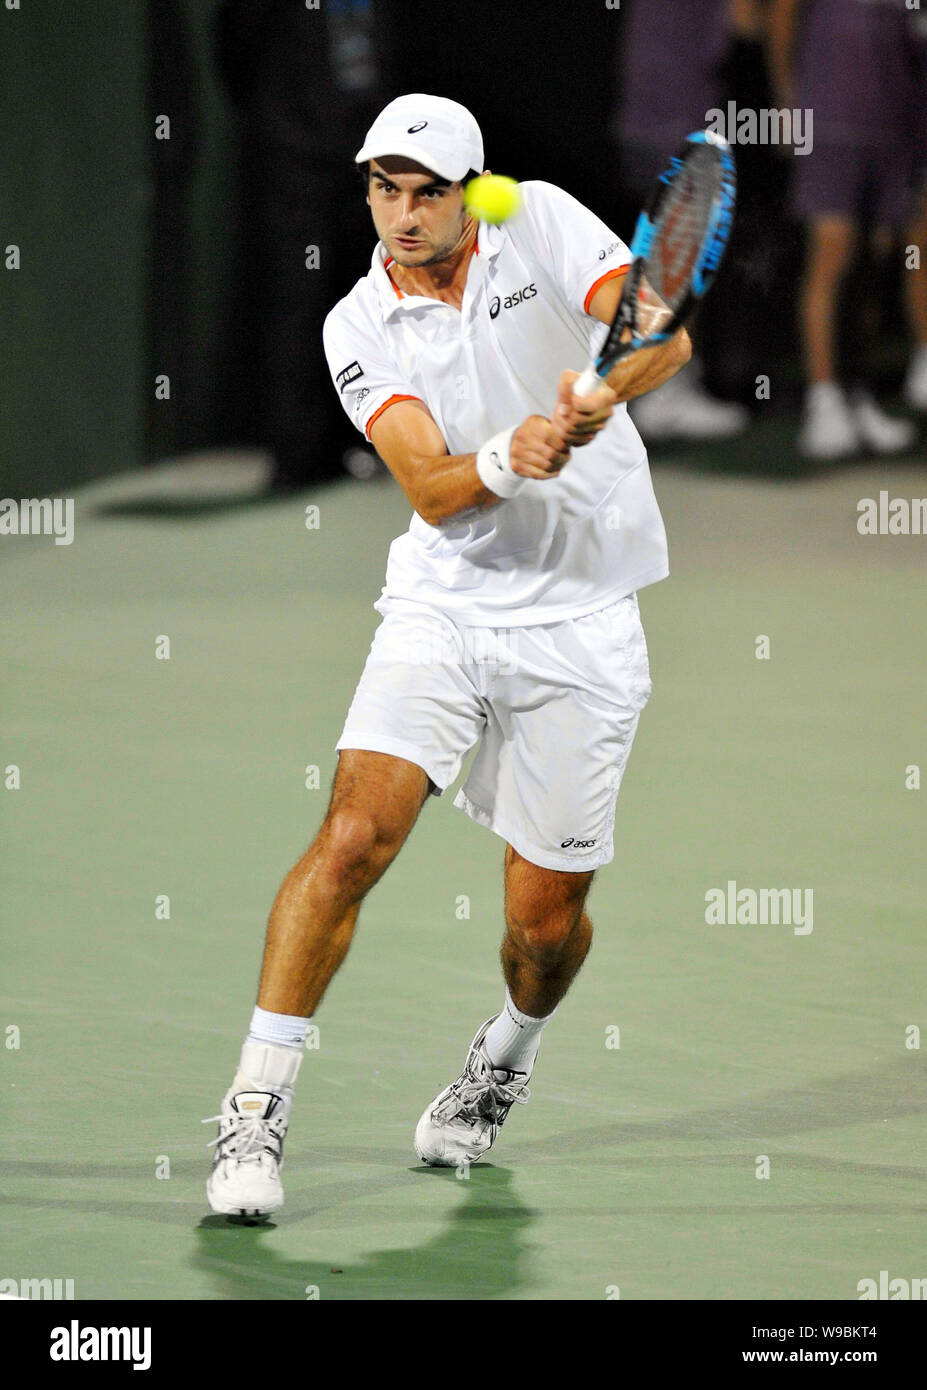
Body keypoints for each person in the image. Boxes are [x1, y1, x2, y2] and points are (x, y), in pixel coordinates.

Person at [203, 94, 691, 1220]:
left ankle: (504, 1058)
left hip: (583, 616)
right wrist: (514, 459)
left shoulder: (548, 224)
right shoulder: (356, 324)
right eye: (385, 188)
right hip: (446, 607)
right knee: (355, 833)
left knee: (543, 925)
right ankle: (252, 1111)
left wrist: (597, 390)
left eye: (428, 192)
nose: (403, 214)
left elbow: (660, 331)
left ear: (472, 196)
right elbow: (429, 485)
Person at [767, 0, 920, 458]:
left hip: (891, 129)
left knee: (874, 262)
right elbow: (781, 16)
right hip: (829, 121)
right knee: (833, 254)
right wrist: (786, 105)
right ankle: (823, 400)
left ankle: (859, 396)